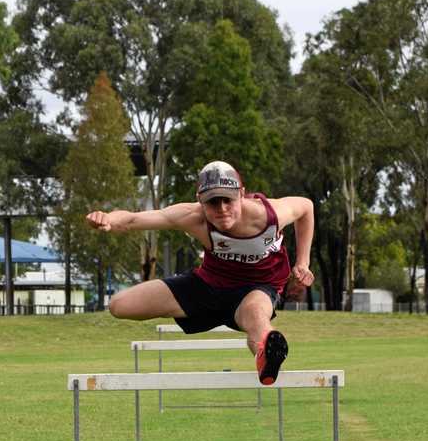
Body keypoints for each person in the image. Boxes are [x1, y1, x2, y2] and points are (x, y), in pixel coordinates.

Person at [86, 161, 315, 385]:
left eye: (228, 200)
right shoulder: (192, 217)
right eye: (213, 203)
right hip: (208, 285)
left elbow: (306, 207)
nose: (222, 209)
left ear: (242, 195)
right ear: (200, 201)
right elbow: (133, 219)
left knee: (256, 316)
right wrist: (107, 218)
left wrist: (303, 262)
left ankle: (267, 352)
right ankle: (256, 340)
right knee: (120, 305)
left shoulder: (270, 215)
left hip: (258, 288)